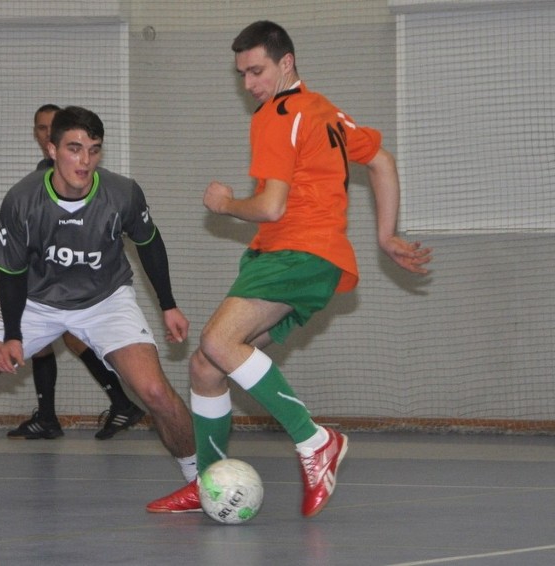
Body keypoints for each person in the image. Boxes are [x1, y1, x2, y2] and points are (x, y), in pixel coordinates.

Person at [146, 21, 432, 517]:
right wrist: (385, 235)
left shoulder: (277, 115)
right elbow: (381, 162)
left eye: (257, 71)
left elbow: (273, 207)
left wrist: (227, 202)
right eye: (241, 75)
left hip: (295, 252)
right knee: (205, 367)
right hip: (308, 260)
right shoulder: (324, 110)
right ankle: (207, 479)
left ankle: (314, 440)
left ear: (287, 63)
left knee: (217, 341)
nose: (249, 84)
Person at [0, 106, 197, 501]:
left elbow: (149, 243)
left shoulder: (122, 194)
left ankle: (201, 482)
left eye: (94, 150)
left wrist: (168, 304)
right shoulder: (22, 200)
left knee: (154, 392)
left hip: (105, 301)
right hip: (35, 301)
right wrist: (13, 335)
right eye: (74, 148)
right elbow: (12, 273)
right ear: (52, 149)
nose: (84, 161)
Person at [8, 103, 145, 441]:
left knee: (66, 338)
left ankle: (111, 403)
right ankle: (54, 414)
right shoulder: (38, 180)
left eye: (50, 128)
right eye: (39, 128)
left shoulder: (84, 179)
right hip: (48, 285)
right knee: (48, 341)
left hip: (83, 285)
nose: (44, 134)